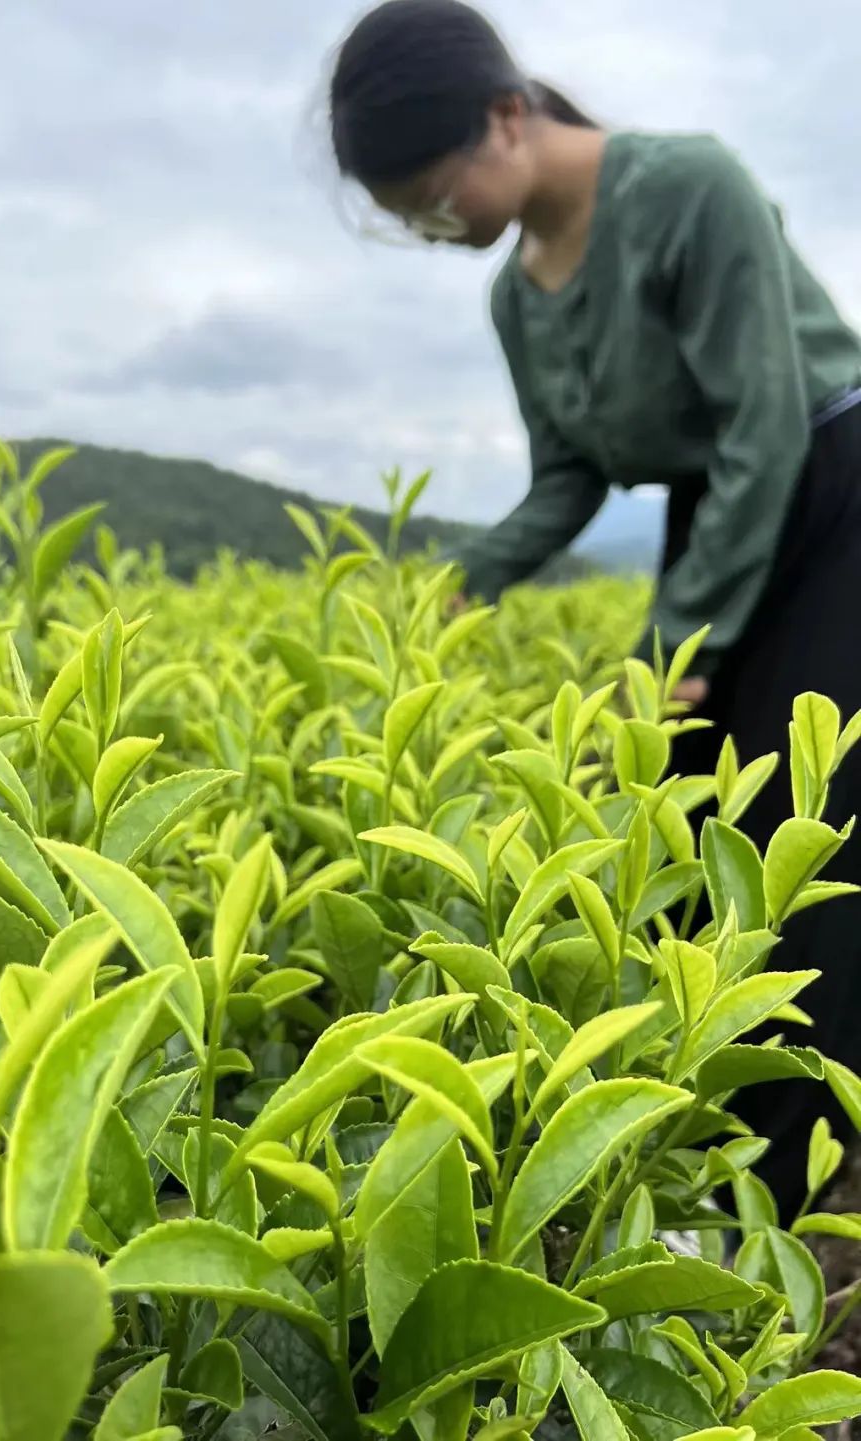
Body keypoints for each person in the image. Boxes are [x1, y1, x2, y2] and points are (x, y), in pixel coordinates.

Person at [327, 0, 861, 1218]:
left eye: (431, 190)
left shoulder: (689, 187)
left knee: (800, 820)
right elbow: (568, 476)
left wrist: (680, 637)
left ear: (507, 117)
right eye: (408, 211)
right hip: (717, 515)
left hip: (831, 491)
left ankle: (769, 1193)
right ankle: (676, 1132)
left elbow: (764, 427)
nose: (432, 222)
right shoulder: (518, 298)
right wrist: (465, 576)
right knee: (674, 815)